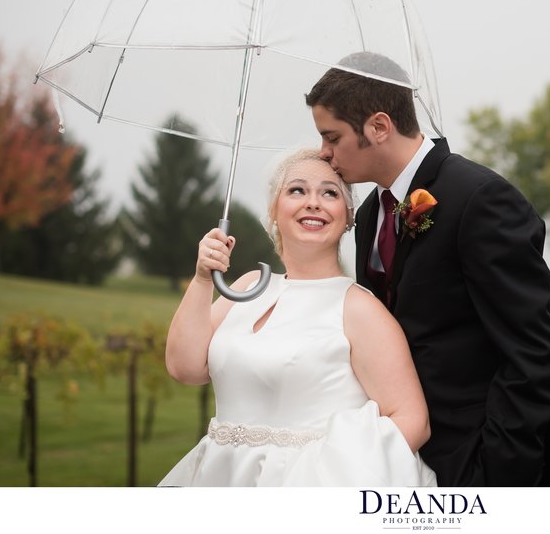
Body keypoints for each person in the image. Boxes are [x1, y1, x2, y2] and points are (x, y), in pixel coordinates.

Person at [305, 52, 550, 487]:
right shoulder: (373, 211)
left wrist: (497, 467)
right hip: (401, 458)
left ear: (378, 127)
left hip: (482, 462)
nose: (324, 152)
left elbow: (535, 354)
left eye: (332, 136)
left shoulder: (481, 199)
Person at [159, 149, 436, 486]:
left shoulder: (358, 308)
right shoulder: (248, 287)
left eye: (330, 193)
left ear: (348, 216)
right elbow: (185, 368)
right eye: (297, 190)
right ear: (274, 210)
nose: (314, 202)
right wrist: (204, 278)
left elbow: (412, 419)